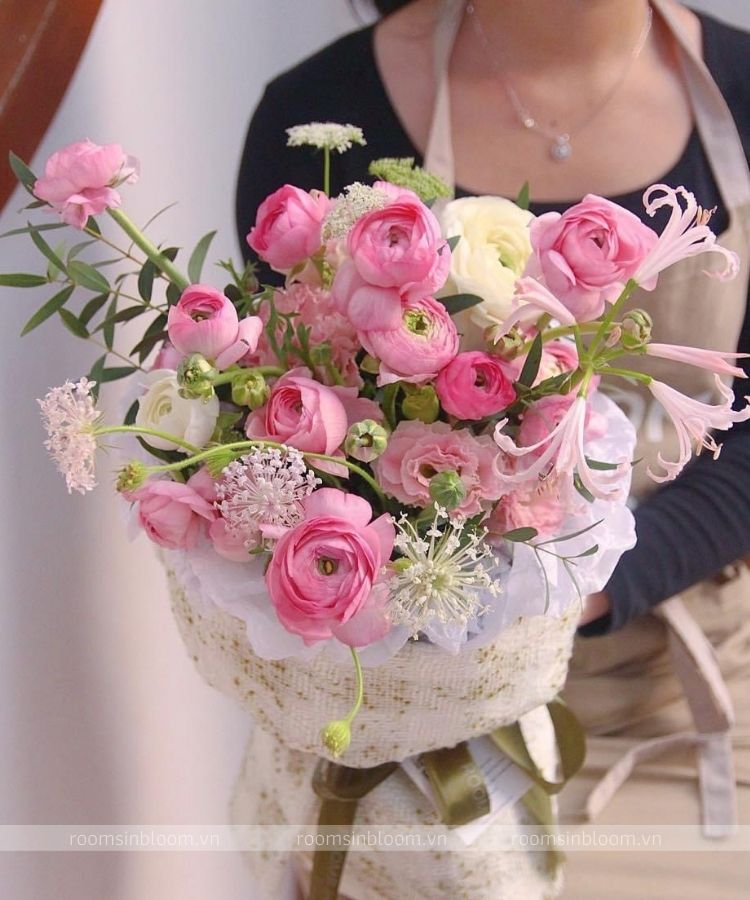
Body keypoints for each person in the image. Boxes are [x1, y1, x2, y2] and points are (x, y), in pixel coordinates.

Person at [235, 1, 750, 897]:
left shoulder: (741, 90)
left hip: (681, 699)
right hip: (414, 731)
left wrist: (570, 593)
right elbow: (279, 431)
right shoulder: (322, 110)